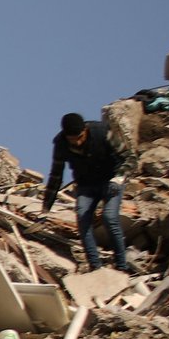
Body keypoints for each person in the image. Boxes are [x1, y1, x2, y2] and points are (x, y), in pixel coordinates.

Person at [39, 111, 138, 274]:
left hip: (111, 181)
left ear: (85, 130)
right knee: (83, 220)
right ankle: (95, 266)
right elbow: (56, 176)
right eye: (72, 140)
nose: (77, 143)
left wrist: (119, 178)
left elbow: (130, 158)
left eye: (79, 138)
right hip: (86, 185)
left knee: (109, 217)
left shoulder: (103, 132)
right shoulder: (60, 144)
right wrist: (45, 208)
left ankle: (122, 265)